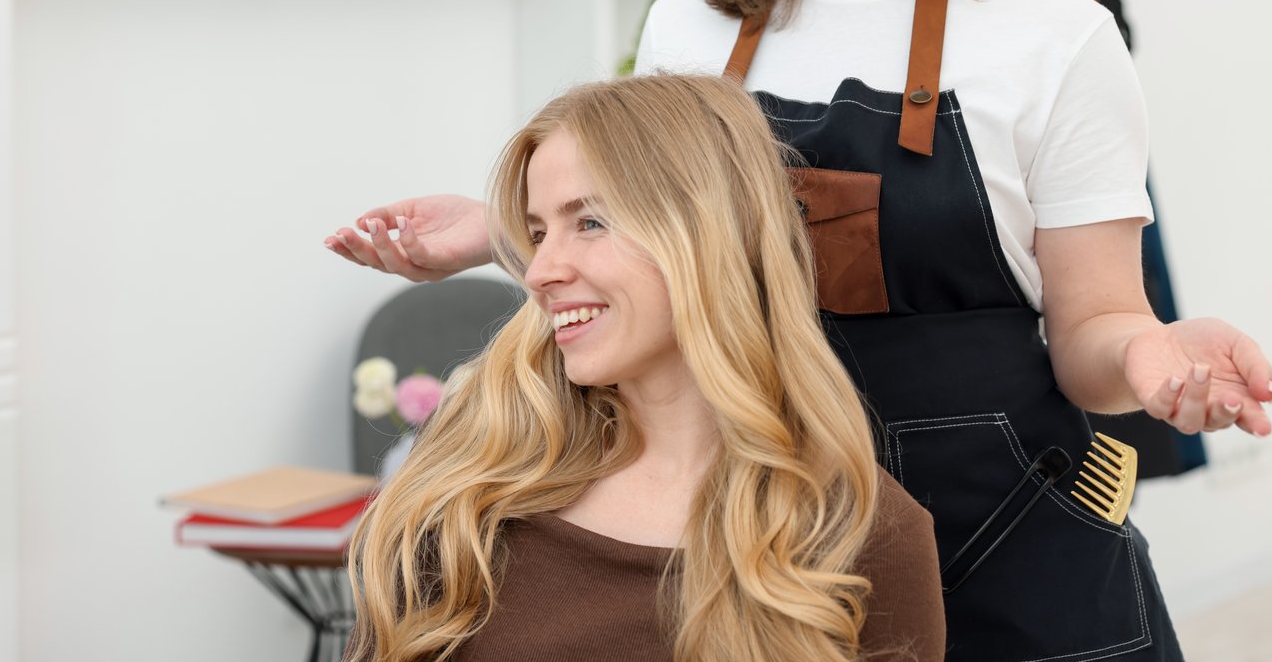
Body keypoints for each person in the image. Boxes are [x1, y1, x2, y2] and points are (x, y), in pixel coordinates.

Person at [327, 0, 1272, 659]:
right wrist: (495, 229)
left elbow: (1094, 324)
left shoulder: (1054, 40)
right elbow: (661, 249)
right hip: (769, 544)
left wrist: (1150, 359)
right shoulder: (686, 29)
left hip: (1014, 547)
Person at [345, 74, 945, 662]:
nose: (538, 271)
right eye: (535, 233)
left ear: (707, 233)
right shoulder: (466, 487)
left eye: (590, 222)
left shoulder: (866, 534)